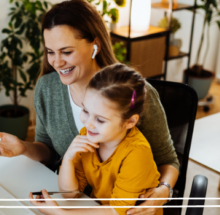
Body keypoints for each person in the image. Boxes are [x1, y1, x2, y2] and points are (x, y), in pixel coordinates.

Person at [0, 1, 179, 214]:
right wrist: (23, 148)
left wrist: (163, 190)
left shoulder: (132, 95)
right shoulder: (47, 88)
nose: (57, 62)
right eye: (50, 52)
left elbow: (168, 160)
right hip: (77, 202)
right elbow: (50, 151)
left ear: (95, 46)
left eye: (66, 51)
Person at [29, 64, 163, 215]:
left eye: (100, 120)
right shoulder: (88, 136)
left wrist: (60, 213)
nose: (88, 123)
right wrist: (68, 159)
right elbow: (70, 194)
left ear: (130, 122)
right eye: (85, 110)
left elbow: (116, 211)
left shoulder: (137, 153)